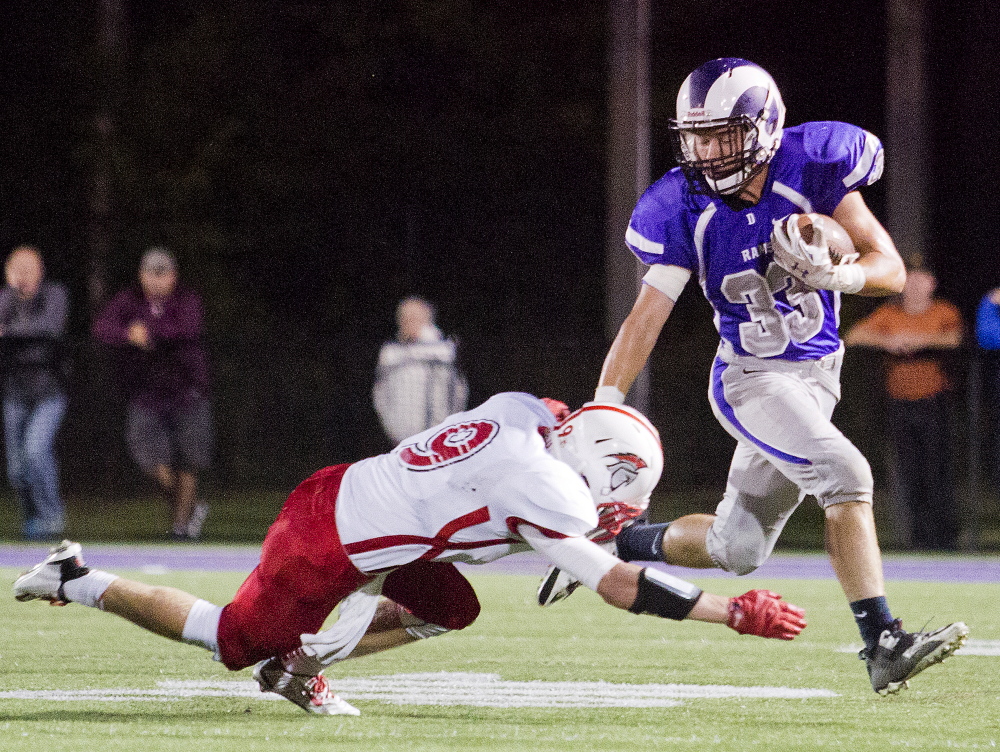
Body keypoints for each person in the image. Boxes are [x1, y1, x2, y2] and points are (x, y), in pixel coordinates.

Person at [539, 58, 967, 695]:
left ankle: (625, 543)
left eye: (722, 136)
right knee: (847, 474)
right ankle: (883, 641)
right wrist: (604, 405)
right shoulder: (681, 203)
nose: (708, 152)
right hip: (752, 378)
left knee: (738, 547)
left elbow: (890, 270)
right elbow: (645, 316)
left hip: (819, 376)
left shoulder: (814, 166)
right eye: (697, 137)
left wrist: (838, 274)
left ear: (763, 127)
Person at [14, 393, 806, 716]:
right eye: (614, 501)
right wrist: (725, 609)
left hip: (357, 498)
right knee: (228, 639)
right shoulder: (552, 489)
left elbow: (562, 445)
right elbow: (616, 583)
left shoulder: (530, 416)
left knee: (451, 606)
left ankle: (299, 664)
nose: (609, 517)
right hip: (327, 543)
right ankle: (78, 579)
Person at [92, 247, 213, 541]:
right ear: (141, 275)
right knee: (149, 460)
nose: (156, 281)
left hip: (188, 391)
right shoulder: (129, 299)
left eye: (163, 274)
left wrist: (147, 333)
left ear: (173, 276)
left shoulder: (187, 299)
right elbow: (101, 327)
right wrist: (127, 334)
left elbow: (186, 329)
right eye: (150, 273)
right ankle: (190, 508)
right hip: (146, 394)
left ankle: (181, 529)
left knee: (189, 461)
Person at [844, 267, 963, 550]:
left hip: (935, 401)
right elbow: (854, 335)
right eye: (910, 280)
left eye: (921, 279)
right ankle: (918, 539)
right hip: (899, 403)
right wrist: (889, 341)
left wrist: (916, 342)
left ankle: (945, 539)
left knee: (938, 470)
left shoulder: (942, 312)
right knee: (910, 472)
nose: (915, 285)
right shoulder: (890, 314)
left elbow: (954, 338)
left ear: (932, 283)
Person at [0, 246, 69, 541]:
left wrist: (11, 332)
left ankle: (52, 515)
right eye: (18, 269)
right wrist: (14, 295)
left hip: (49, 391)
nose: (24, 275)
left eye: (30, 268)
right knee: (17, 468)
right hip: (14, 392)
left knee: (36, 450)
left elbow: (50, 328)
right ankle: (33, 517)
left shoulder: (54, 295)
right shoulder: (6, 299)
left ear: (41, 271)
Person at [372, 296, 468, 445]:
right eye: (404, 317)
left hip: (438, 436)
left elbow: (459, 391)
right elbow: (380, 394)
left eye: (413, 317)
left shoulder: (444, 349)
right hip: (400, 439)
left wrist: (447, 426)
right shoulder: (390, 352)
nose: (407, 321)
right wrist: (392, 428)